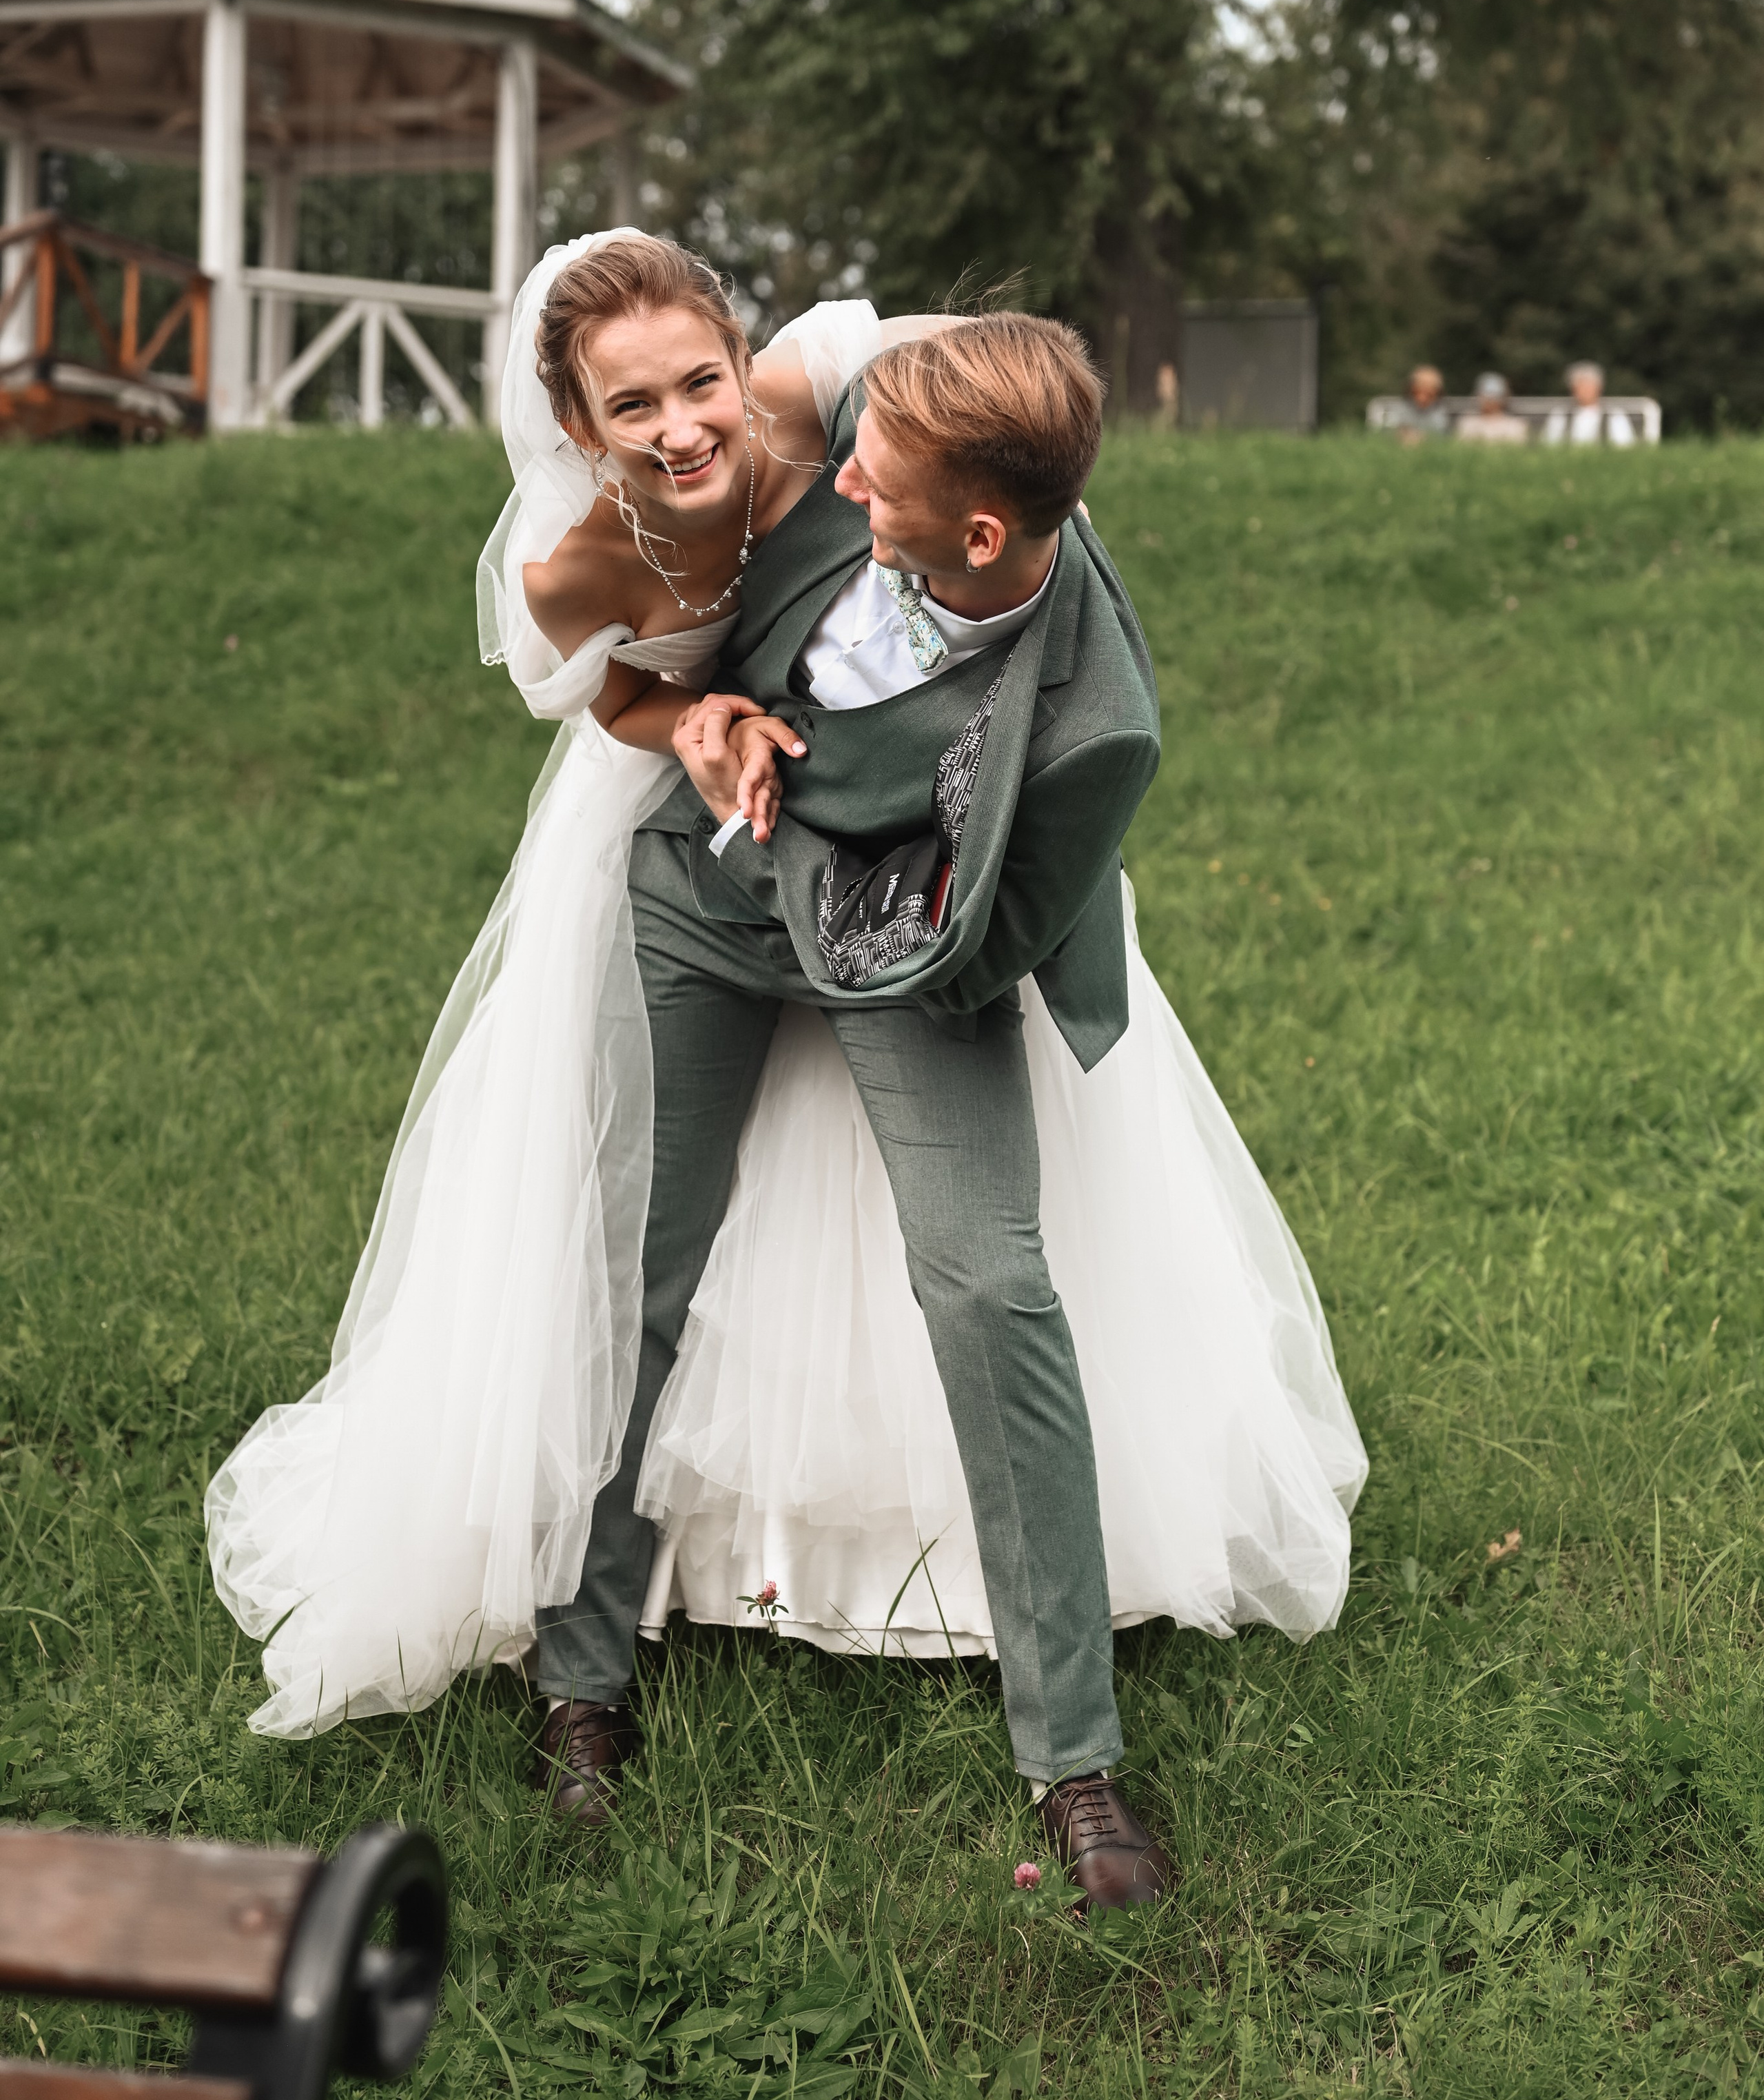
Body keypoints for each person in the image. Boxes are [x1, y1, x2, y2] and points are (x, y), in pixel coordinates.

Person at [207, 232, 1365, 1915]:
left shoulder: (878, 445)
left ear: (747, 362)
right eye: (634, 401)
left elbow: (1004, 440)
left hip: (920, 939)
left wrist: (880, 939)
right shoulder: (603, 544)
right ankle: (580, 1672)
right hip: (704, 897)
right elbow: (610, 685)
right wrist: (694, 724)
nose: (691, 423)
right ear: (579, 423)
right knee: (631, 1264)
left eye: (702, 382)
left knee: (991, 1280)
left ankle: (1077, 1760)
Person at [1542, 362, 1634, 448]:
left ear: (1599, 388)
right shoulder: (1560, 416)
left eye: (1589, 385)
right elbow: (1549, 447)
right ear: (1572, 389)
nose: (1585, 391)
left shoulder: (1614, 416)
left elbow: (1625, 448)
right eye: (1580, 386)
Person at [1377, 364, 1451, 440]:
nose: (1423, 397)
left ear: (1438, 392)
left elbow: (1442, 436)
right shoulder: (1398, 409)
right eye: (1419, 389)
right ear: (1411, 389)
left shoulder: (1444, 413)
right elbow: (1390, 432)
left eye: (1429, 392)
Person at [1455, 372, 1530, 445]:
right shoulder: (1468, 422)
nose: (1489, 400)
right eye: (1485, 394)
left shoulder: (1515, 426)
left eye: (1494, 396)